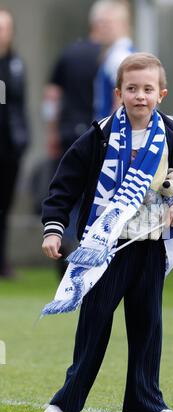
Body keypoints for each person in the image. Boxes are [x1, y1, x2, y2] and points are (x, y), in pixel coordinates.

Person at [41, 52, 173, 412]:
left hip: (150, 246)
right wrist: (54, 227)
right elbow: (63, 185)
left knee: (148, 323)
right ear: (119, 92)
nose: (140, 96)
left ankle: (147, 403)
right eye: (132, 89)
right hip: (108, 245)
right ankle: (67, 402)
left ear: (161, 94)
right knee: (94, 322)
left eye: (148, 89)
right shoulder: (99, 135)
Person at [41, 1, 104, 276]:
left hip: (69, 132)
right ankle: (84, 247)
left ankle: (64, 240)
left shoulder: (69, 54)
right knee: (95, 193)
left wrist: (52, 130)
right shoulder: (113, 56)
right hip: (97, 134)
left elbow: (52, 96)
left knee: (69, 189)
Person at [0, 9, 29, 278]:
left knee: (4, 206)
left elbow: (18, 106)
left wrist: (23, 137)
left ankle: (2, 261)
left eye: (5, 28)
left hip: (10, 149)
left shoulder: (16, 64)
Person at [93, 0, 135, 120]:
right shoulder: (115, 53)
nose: (102, 28)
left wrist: (111, 134)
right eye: (99, 24)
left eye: (107, 24)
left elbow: (122, 101)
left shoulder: (119, 56)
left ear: (123, 25)